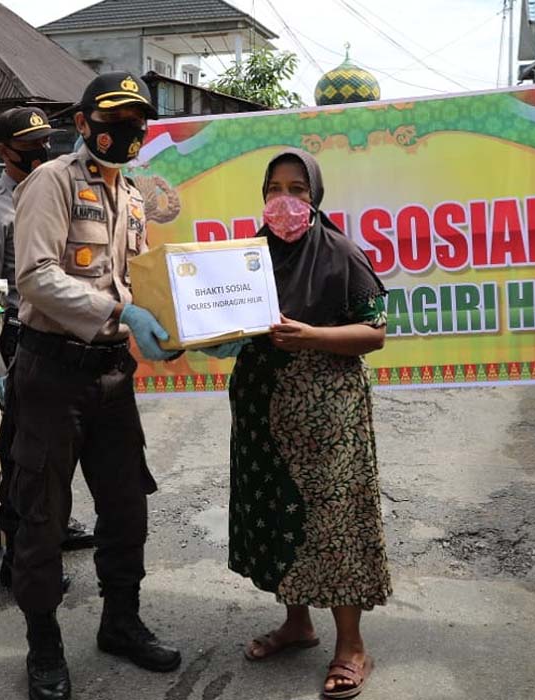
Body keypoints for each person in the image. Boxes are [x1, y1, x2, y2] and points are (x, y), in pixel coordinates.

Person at [9, 72, 182, 700]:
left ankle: (120, 621)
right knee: (44, 515)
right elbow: (35, 277)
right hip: (52, 372)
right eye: (112, 119)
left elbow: (133, 279)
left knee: (126, 505)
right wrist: (119, 312)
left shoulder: (131, 195)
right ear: (82, 124)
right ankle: (43, 641)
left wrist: (168, 318)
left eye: (137, 120)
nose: (127, 131)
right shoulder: (50, 182)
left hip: (112, 374)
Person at [201, 149, 391, 698]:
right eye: (274, 188)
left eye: (298, 189)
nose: (284, 200)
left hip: (326, 412)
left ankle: (352, 645)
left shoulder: (340, 253)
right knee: (277, 511)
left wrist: (313, 336)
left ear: (316, 195)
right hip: (263, 406)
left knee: (333, 523)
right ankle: (297, 622)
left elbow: (375, 333)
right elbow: (224, 318)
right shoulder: (249, 256)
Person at [0, 107, 94, 590]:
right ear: (3, 151)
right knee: (22, 455)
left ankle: (56, 530)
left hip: (59, 342)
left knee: (60, 448)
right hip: (17, 341)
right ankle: (17, 556)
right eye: (29, 144)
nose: (41, 151)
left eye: (45, 141)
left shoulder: (60, 192)